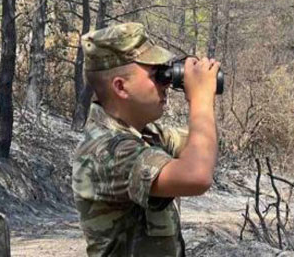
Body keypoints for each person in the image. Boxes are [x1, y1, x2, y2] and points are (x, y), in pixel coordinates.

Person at [71, 22, 220, 256]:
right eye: (156, 74)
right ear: (121, 87)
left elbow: (202, 147)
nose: (166, 83)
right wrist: (201, 100)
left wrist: (197, 86)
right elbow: (197, 175)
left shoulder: (146, 135)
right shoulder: (108, 151)